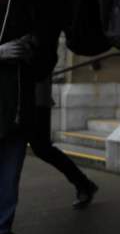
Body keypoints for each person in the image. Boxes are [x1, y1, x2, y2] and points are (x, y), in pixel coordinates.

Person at [0, 0, 36, 234]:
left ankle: (3, 227)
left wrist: (31, 47)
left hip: (17, 107)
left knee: (10, 174)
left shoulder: (24, 3)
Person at [30, 76, 99, 208]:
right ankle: (84, 184)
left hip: (34, 99)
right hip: (15, 97)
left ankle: (84, 184)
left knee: (42, 149)